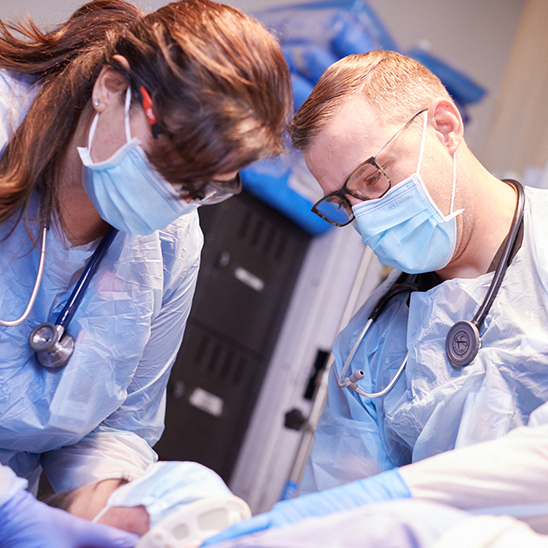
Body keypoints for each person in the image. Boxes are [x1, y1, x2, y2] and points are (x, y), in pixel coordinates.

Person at [199, 49, 548, 543]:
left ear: (445, 127)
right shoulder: (368, 347)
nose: (363, 217)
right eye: (342, 202)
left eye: (371, 177)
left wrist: (396, 497)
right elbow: (343, 516)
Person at [0, 0, 292, 545]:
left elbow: (116, 429)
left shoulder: (174, 242)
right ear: (112, 88)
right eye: (173, 162)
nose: (179, 198)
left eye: (208, 185)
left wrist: (136, 509)